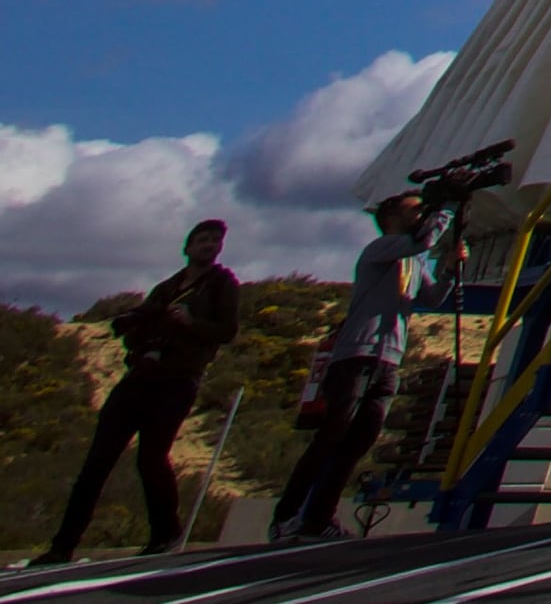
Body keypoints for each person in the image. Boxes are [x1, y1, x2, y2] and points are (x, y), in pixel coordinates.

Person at [38, 219, 237, 560]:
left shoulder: (222, 284)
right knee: (97, 461)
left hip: (179, 377)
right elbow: (138, 324)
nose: (209, 245)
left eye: (215, 240)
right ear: (187, 247)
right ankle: (62, 546)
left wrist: (191, 323)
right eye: (202, 239)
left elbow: (227, 330)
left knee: (151, 457)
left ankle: (165, 533)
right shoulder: (167, 288)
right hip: (142, 375)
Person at [271, 191, 426, 542]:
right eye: (413, 209)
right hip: (358, 354)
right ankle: (287, 515)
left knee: (357, 442)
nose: (421, 214)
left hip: (389, 357)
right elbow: (421, 239)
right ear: (390, 218)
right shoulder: (381, 249)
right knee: (332, 435)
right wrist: (446, 211)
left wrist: (449, 267)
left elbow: (431, 297)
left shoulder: (414, 262)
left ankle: (319, 517)